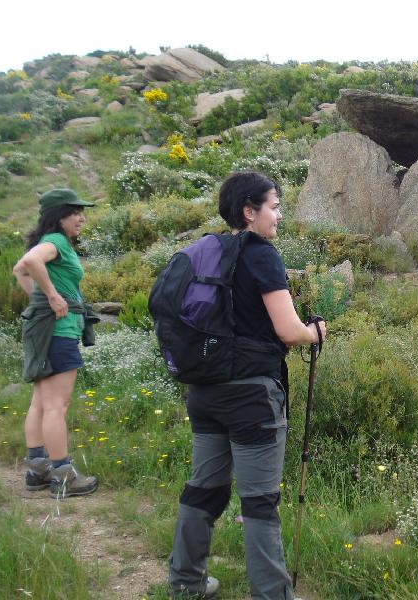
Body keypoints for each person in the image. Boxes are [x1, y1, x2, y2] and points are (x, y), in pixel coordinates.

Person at [168, 171, 326, 600]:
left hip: (204, 392)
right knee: (259, 502)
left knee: (204, 487)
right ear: (249, 211)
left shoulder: (208, 251)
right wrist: (317, 332)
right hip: (252, 397)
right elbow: (289, 331)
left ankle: (185, 581)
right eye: (273, 206)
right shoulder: (261, 255)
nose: (278, 215)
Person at [13, 188, 99, 499]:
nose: (81, 217)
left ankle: (38, 469)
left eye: (81, 211)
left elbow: (19, 270)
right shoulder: (57, 242)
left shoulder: (51, 241)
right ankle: (63, 475)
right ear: (58, 215)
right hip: (59, 332)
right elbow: (29, 261)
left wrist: (39, 297)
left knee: (39, 402)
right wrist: (50, 296)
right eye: (75, 212)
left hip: (46, 331)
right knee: (55, 406)